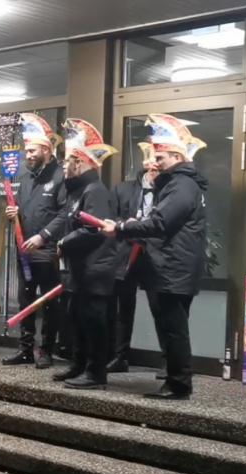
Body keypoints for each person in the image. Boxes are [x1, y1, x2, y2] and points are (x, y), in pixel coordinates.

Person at [101, 114, 208, 400]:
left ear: (176, 155)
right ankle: (176, 380)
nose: (155, 162)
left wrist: (122, 227)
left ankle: (178, 384)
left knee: (173, 328)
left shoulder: (183, 185)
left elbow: (160, 223)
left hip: (175, 265)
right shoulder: (176, 183)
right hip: (171, 264)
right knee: (170, 325)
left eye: (160, 157)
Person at [52, 119, 117, 390]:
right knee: (77, 319)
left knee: (94, 324)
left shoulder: (95, 191)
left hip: (95, 271)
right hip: (80, 271)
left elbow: (94, 230)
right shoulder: (77, 191)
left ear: (79, 163)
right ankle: (79, 365)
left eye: (67, 160)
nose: (64, 166)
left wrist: (65, 241)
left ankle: (95, 373)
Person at [2, 113, 68, 370]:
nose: (27, 155)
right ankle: (25, 349)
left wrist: (43, 236)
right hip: (24, 252)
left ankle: (47, 350)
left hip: (48, 252)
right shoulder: (27, 179)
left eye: (32, 150)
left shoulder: (60, 177)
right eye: (26, 150)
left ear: (46, 149)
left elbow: (64, 214)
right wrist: (13, 213)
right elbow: (22, 209)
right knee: (26, 302)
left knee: (50, 303)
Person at [106, 140, 160, 374]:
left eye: (159, 169)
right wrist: (125, 225)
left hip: (155, 257)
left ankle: (170, 362)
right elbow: (110, 219)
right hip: (126, 255)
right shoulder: (122, 189)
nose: (156, 174)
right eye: (153, 169)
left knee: (161, 310)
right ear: (146, 168)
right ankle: (119, 357)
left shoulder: (169, 192)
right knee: (122, 310)